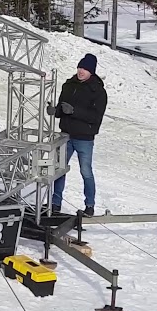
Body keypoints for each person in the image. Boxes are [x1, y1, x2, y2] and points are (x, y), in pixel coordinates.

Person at [47, 53, 108, 217]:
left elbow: (96, 117)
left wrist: (74, 111)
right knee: (59, 169)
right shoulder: (68, 85)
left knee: (86, 171)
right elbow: (62, 107)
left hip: (85, 138)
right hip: (66, 135)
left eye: (85, 69)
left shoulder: (98, 91)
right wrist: (55, 111)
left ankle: (89, 205)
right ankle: (55, 203)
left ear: (91, 72)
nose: (81, 71)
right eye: (80, 67)